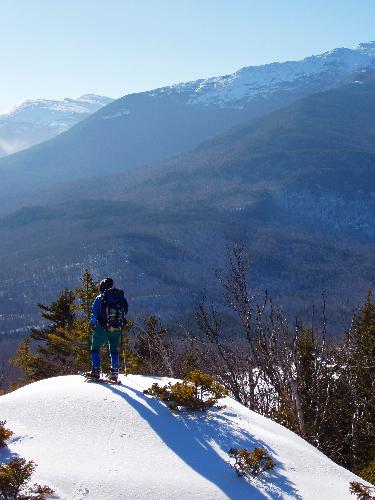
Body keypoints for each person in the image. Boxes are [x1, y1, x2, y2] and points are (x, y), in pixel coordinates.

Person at [85, 277, 128, 382]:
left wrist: (92, 324)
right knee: (114, 350)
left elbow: (94, 315)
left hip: (102, 328)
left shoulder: (100, 298)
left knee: (95, 348)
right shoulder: (119, 298)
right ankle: (115, 373)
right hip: (116, 327)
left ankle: (96, 370)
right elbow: (125, 311)